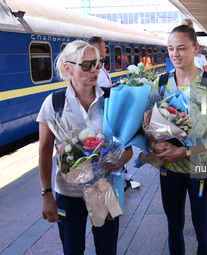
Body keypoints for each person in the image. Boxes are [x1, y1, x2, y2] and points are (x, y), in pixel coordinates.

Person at [37, 40, 133, 255]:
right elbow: (44, 152)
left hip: (105, 189)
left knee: (107, 250)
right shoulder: (54, 103)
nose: (95, 70)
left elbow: (128, 148)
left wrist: (121, 159)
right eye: (87, 65)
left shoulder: (111, 99)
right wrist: (46, 194)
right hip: (68, 193)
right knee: (72, 250)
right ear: (68, 68)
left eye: (98, 64)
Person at [148, 24, 207, 255]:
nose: (175, 54)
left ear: (195, 48)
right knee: (174, 227)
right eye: (171, 48)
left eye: (181, 48)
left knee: (203, 228)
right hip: (169, 169)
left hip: (200, 169)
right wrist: (155, 145)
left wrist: (184, 152)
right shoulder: (160, 84)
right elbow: (149, 128)